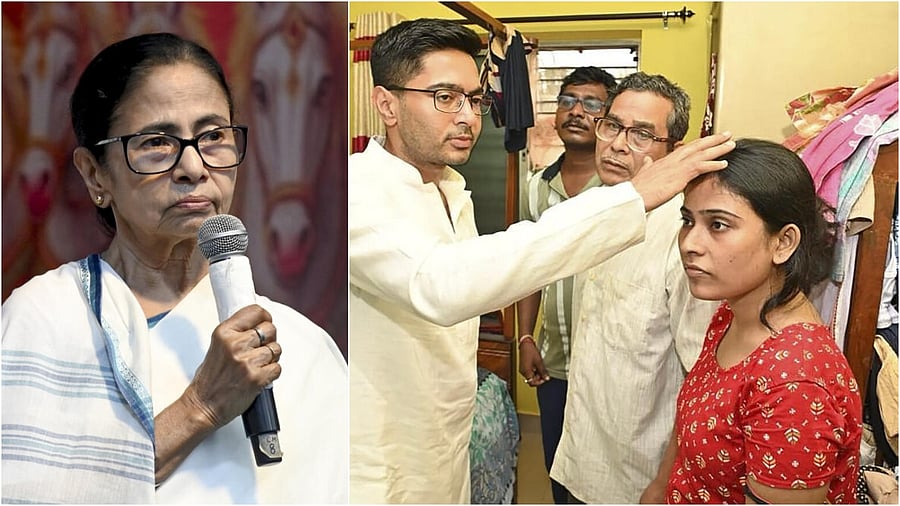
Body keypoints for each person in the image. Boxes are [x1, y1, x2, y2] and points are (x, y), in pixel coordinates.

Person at [349, 18, 735, 504]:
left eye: (474, 99)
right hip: (382, 459)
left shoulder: (451, 192)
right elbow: (441, 286)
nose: (468, 117)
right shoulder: (354, 194)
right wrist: (633, 198)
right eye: (445, 97)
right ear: (386, 103)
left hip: (448, 447)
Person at [1, 33, 348, 503]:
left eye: (214, 137)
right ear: (94, 174)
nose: (194, 166)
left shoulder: (304, 347)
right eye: (157, 143)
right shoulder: (44, 318)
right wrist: (200, 406)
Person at [644, 138, 863, 504]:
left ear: (783, 242)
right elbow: (690, 428)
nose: (689, 244)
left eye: (718, 225)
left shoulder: (795, 380)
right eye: (687, 221)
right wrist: (657, 490)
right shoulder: (732, 314)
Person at [550, 72, 720, 503]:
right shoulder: (596, 209)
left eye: (643, 134)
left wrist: (663, 484)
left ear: (673, 152)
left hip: (636, 479)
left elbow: (704, 379)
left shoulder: (683, 240)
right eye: (612, 126)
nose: (619, 144)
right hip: (580, 455)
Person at [515, 66, 617, 504]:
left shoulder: (622, 188)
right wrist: (524, 337)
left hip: (611, 363)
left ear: (609, 119)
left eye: (592, 104)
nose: (577, 111)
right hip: (554, 361)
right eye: (568, 101)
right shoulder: (536, 186)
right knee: (558, 468)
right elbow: (528, 268)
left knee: (605, 476)